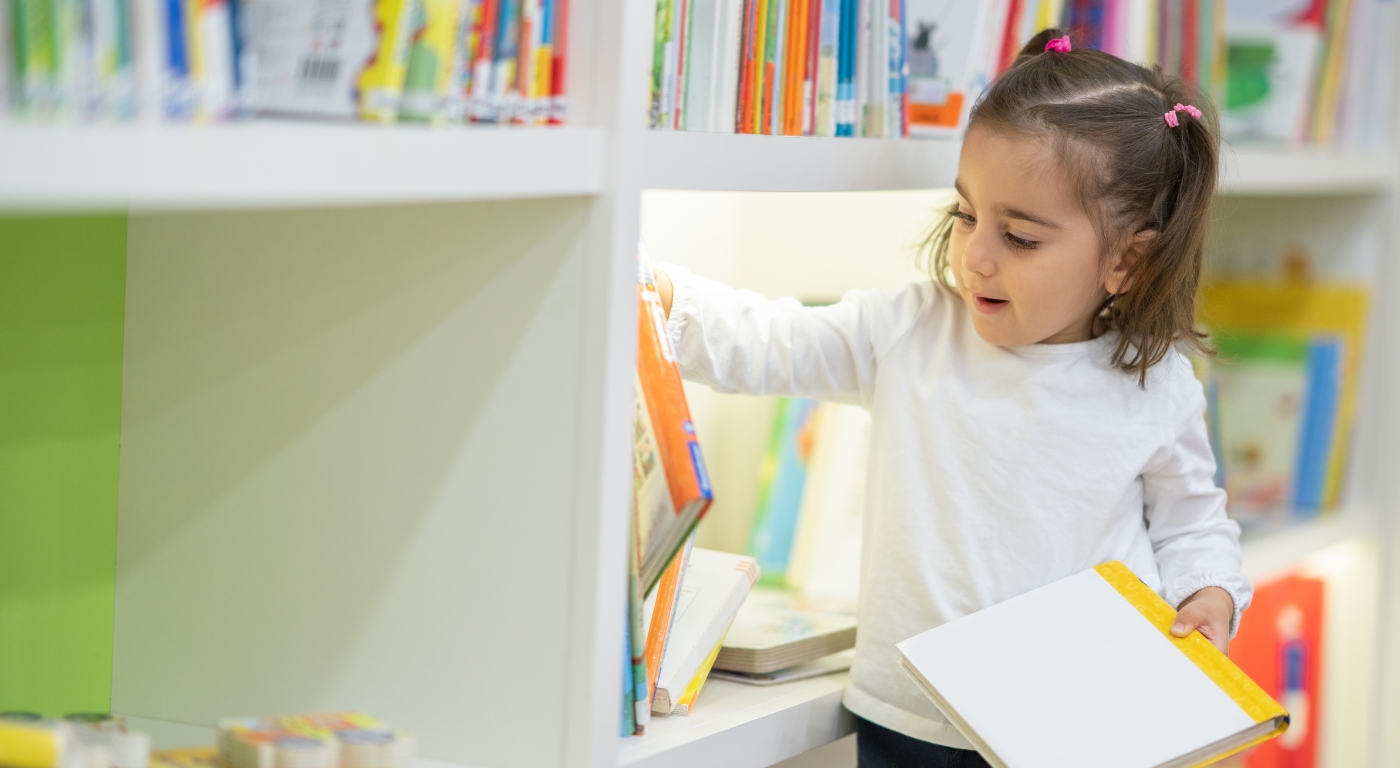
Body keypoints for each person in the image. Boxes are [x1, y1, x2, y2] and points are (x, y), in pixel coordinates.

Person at [653, 28, 1248, 768]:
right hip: (910, 717)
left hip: (1076, 728)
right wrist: (666, 301)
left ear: (1127, 259)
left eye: (1021, 237)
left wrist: (1210, 596)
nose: (976, 255)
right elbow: (775, 341)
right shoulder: (910, 331)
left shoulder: (1155, 387)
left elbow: (1194, 528)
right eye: (967, 214)